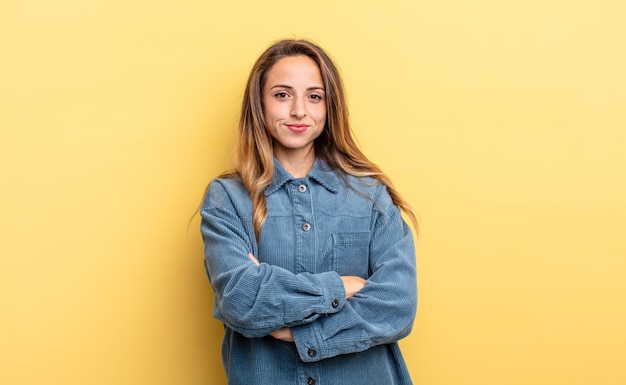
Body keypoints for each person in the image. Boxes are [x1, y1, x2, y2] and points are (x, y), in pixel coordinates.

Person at [200, 39, 418, 385]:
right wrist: (340, 287)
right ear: (259, 103)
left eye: (314, 96)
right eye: (282, 95)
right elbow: (242, 301)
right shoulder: (228, 199)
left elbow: (397, 306)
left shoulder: (371, 197)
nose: (299, 110)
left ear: (330, 107)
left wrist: (293, 330)